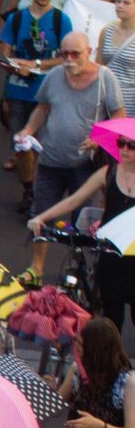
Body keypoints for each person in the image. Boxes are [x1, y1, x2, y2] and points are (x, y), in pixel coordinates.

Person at [21, 29, 126, 279]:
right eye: (64, 53)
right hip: (50, 160)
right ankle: (36, 268)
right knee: (41, 214)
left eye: (75, 53)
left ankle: (78, 267)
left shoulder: (105, 78)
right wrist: (28, 130)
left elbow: (119, 117)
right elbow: (43, 108)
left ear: (88, 52)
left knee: (81, 223)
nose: (69, 58)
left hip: (84, 164)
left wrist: (99, 140)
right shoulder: (56, 75)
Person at [35, 131, 135, 331]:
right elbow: (75, 199)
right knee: (110, 320)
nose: (124, 149)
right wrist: (42, 217)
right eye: (120, 143)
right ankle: (111, 361)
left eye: (131, 145)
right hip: (110, 255)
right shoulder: (109, 173)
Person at [0, 0, 74, 211]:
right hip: (18, 91)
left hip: (49, 92)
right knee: (22, 144)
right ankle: (29, 189)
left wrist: (37, 64)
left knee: (44, 144)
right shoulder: (16, 19)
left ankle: (42, 190)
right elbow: (4, 54)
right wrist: (13, 66)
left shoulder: (60, 20)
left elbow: (67, 57)